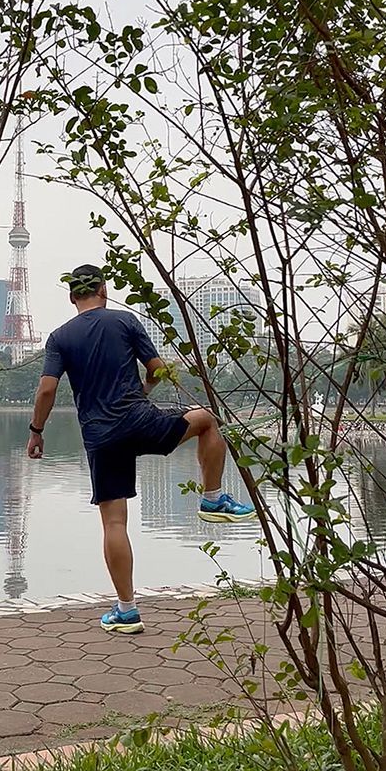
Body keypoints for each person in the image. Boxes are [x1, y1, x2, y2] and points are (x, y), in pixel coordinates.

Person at [27, 264, 256, 635]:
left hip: (100, 437)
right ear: (104, 289)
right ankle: (213, 498)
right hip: (140, 421)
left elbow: (47, 390)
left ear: (72, 297)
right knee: (207, 420)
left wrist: (36, 431)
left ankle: (127, 611)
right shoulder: (125, 321)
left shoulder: (59, 337)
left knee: (114, 523)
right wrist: (144, 391)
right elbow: (158, 369)